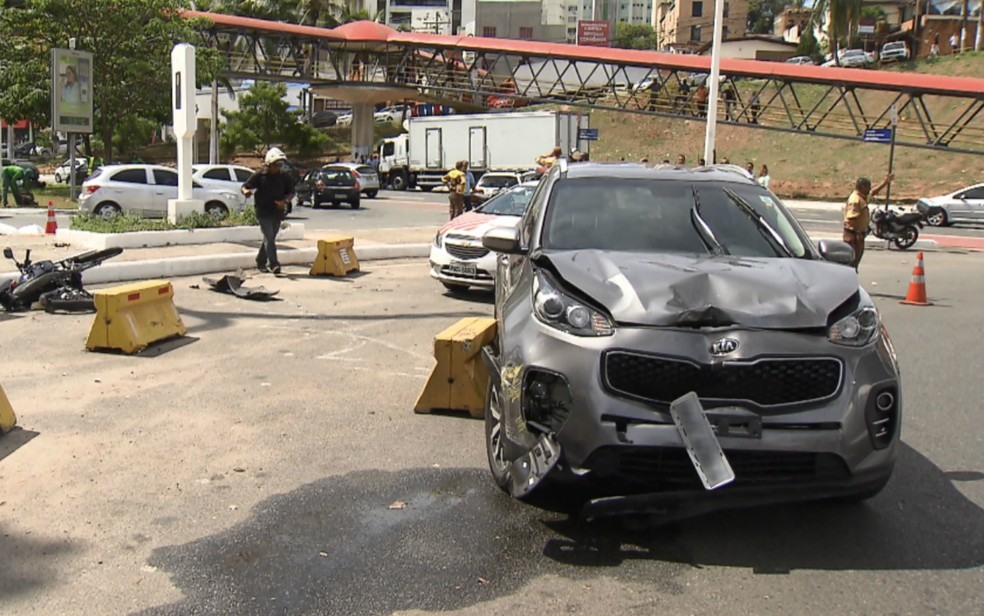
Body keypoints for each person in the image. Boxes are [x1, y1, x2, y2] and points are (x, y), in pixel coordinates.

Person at [242, 147, 295, 274]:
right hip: (263, 211)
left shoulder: (284, 176)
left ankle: (260, 261)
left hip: (277, 212)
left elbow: (291, 192)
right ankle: (274, 264)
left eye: (280, 164)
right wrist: (246, 191)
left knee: (269, 238)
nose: (278, 167)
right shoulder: (260, 175)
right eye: (276, 164)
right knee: (269, 237)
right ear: (269, 164)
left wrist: (285, 201)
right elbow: (245, 186)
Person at [843, 174, 894, 270]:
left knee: (855, 263)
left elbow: (872, 193)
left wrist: (885, 182)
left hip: (858, 236)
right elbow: (851, 220)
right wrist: (858, 235)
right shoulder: (855, 200)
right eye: (868, 186)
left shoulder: (861, 197)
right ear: (862, 187)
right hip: (854, 237)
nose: (869, 188)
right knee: (851, 263)